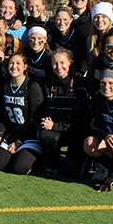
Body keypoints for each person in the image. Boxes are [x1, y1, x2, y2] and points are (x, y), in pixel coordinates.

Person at [38, 49, 90, 177]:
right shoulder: (48, 83)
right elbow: (45, 110)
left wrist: (55, 125)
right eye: (55, 63)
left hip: (75, 132)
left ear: (70, 63)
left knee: (71, 173)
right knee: (46, 134)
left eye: (62, 63)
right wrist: (49, 124)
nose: (59, 67)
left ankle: (85, 160)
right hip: (56, 131)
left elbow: (80, 119)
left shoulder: (79, 84)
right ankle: (53, 162)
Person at [0, 53, 44, 174]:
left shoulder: (33, 86)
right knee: (0, 165)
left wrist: (20, 141)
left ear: (25, 66)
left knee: (19, 168)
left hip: (30, 134)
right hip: (13, 133)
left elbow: (34, 118)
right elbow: (2, 115)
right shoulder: (5, 86)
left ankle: (39, 160)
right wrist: (0, 135)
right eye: (11, 63)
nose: (14, 66)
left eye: (18, 63)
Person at [48, 5, 88, 76]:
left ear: (71, 20)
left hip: (74, 72)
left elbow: (83, 57)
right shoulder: (53, 34)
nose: (62, 22)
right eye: (58, 19)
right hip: (59, 70)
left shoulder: (78, 36)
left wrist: (81, 71)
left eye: (65, 19)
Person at [25, 25, 52, 90]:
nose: (35, 42)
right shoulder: (26, 53)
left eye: (40, 38)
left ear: (45, 39)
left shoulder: (49, 57)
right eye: (33, 38)